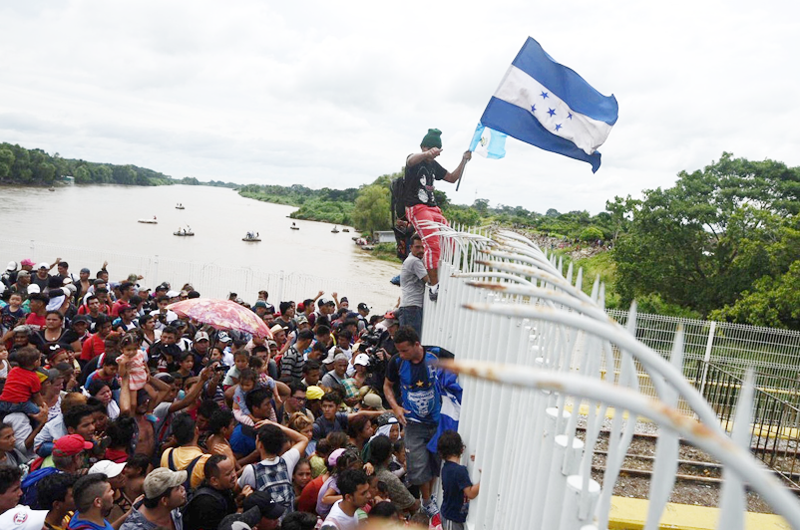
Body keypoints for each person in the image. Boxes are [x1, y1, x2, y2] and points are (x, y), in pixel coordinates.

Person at [402, 128, 471, 301]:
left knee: (450, 242)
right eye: (434, 150)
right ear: (424, 147)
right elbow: (411, 160)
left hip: (433, 208)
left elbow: (452, 178)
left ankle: (439, 275)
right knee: (433, 245)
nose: (436, 154)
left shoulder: (433, 165)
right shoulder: (415, 160)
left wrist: (464, 161)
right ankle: (434, 286)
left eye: (438, 151)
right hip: (417, 207)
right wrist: (426, 154)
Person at [383, 326, 442, 519]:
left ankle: (429, 498)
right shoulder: (397, 362)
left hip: (437, 420)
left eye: (404, 350)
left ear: (417, 344)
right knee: (417, 464)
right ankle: (426, 501)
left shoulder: (436, 354)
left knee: (434, 462)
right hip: (413, 422)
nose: (400, 354)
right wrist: (395, 407)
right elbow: (387, 386)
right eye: (398, 350)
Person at [237, 421, 309, 513]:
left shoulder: (251, 470)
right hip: (289, 521)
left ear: (260, 445)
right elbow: (303, 439)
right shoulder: (287, 462)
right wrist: (275, 425)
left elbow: (236, 488)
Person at [181, 455, 237, 530]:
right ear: (214, 481)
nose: (233, 475)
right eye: (228, 474)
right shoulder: (206, 503)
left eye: (233, 470)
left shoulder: (224, 488)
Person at [120, 468, 186, 530]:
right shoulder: (134, 527)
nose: (182, 489)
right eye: (177, 488)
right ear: (164, 500)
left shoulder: (173, 511)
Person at [0, 345, 45, 418]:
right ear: (36, 362)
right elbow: (36, 395)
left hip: (3, 401)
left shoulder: (13, 370)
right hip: (20, 403)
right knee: (39, 414)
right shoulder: (34, 377)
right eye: (40, 360)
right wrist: (42, 406)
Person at [398, 235, 428, 338]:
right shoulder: (414, 261)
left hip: (408, 307)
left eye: (423, 247)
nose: (421, 250)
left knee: (407, 342)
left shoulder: (412, 259)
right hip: (412, 308)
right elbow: (428, 280)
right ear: (410, 247)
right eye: (417, 247)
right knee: (411, 342)